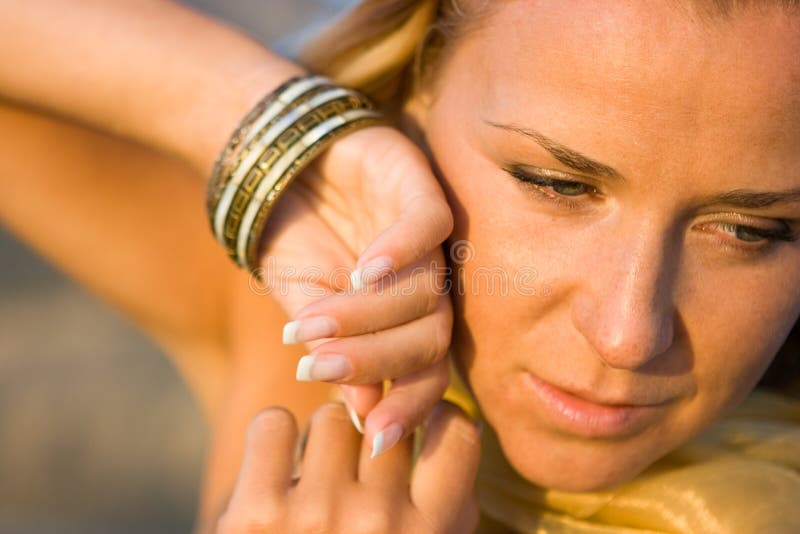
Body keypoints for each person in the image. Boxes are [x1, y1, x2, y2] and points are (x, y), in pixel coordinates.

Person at [2, 0, 800, 532]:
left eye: (750, 230)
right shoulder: (313, 334)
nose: (629, 334)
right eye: (554, 183)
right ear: (419, 88)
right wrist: (286, 126)